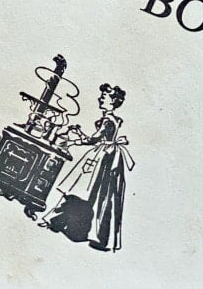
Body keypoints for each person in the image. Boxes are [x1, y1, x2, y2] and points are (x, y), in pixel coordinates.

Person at [41, 83, 134, 251]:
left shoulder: (108, 120)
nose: (100, 99)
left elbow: (94, 139)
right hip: (105, 154)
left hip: (103, 156)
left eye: (104, 97)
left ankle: (63, 223)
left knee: (83, 189)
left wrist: (74, 140)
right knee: (89, 191)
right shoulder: (112, 119)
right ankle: (66, 224)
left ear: (112, 101)